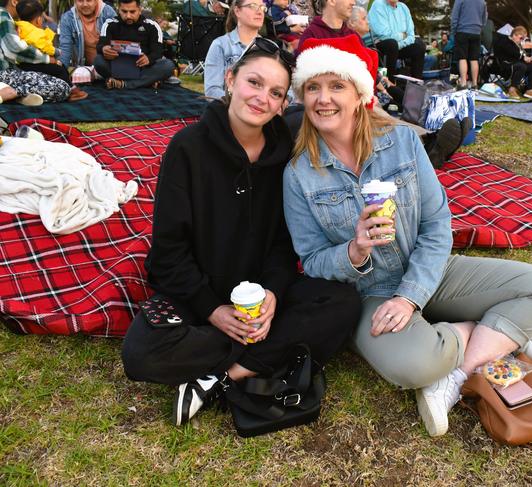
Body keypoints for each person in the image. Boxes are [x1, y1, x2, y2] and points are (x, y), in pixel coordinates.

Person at [284, 34, 532, 437]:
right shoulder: (298, 174)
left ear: (358, 91)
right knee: (414, 367)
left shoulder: (401, 141)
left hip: (431, 270)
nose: (323, 98)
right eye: (313, 87)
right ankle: (491, 333)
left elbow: (436, 223)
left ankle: (458, 374)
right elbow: (311, 260)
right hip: (370, 292)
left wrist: (410, 295)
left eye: (336, 86)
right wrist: (355, 248)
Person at [121, 37, 361, 426]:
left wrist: (271, 293)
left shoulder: (287, 156)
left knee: (342, 303)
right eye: (254, 83)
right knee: (142, 352)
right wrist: (212, 310)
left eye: (276, 92)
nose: (262, 98)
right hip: (198, 296)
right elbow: (168, 253)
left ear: (284, 103)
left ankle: (220, 378)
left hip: (258, 297)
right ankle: (267, 352)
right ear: (231, 80)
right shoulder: (188, 148)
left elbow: (285, 246)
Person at [0, 0, 70, 104]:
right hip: (5, 74)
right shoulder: (3, 16)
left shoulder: (11, 20)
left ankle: (18, 95)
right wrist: (47, 59)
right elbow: (15, 49)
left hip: (9, 73)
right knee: (62, 87)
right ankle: (10, 92)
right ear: (14, 2)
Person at [94, 0, 175, 89]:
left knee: (168, 65)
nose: (128, 16)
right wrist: (104, 49)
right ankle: (147, 82)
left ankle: (123, 84)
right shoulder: (110, 24)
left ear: (139, 10)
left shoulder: (152, 26)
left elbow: (158, 51)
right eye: (124, 11)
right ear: (118, 10)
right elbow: (100, 45)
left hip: (143, 68)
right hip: (117, 66)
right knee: (98, 60)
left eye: (132, 12)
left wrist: (149, 59)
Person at [204, 0, 265, 99]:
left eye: (262, 7)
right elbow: (212, 91)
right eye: (253, 6)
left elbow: (287, 91)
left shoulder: (271, 48)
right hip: (231, 110)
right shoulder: (221, 45)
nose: (260, 12)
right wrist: (242, 102)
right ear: (237, 11)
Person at [367, 0, 425, 81]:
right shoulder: (378, 4)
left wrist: (400, 44)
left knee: (419, 45)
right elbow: (384, 35)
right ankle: (390, 83)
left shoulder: (403, 8)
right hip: (378, 44)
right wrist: (402, 35)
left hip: (397, 46)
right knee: (391, 44)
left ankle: (416, 83)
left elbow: (411, 35)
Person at [59, 0, 117, 69]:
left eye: (89, 0)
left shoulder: (108, 13)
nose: (85, 4)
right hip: (84, 70)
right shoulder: (67, 18)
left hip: (108, 68)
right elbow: (65, 50)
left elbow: (119, 42)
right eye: (80, 0)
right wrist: (61, 70)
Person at [493, 25, 532, 99]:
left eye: (523, 39)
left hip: (516, 64)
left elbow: (518, 56)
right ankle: (512, 89)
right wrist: (523, 57)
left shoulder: (516, 44)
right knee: (522, 66)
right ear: (514, 35)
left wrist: (528, 59)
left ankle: (530, 90)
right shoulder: (504, 40)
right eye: (521, 38)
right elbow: (512, 52)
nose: (522, 40)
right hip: (505, 65)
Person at [450, 0, 487, 89]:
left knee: (462, 58)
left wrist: (454, 31)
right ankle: (475, 84)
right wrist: (479, 29)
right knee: (474, 59)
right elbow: (484, 19)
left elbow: (454, 17)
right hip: (476, 32)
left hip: (462, 31)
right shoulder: (482, 2)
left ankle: (463, 83)